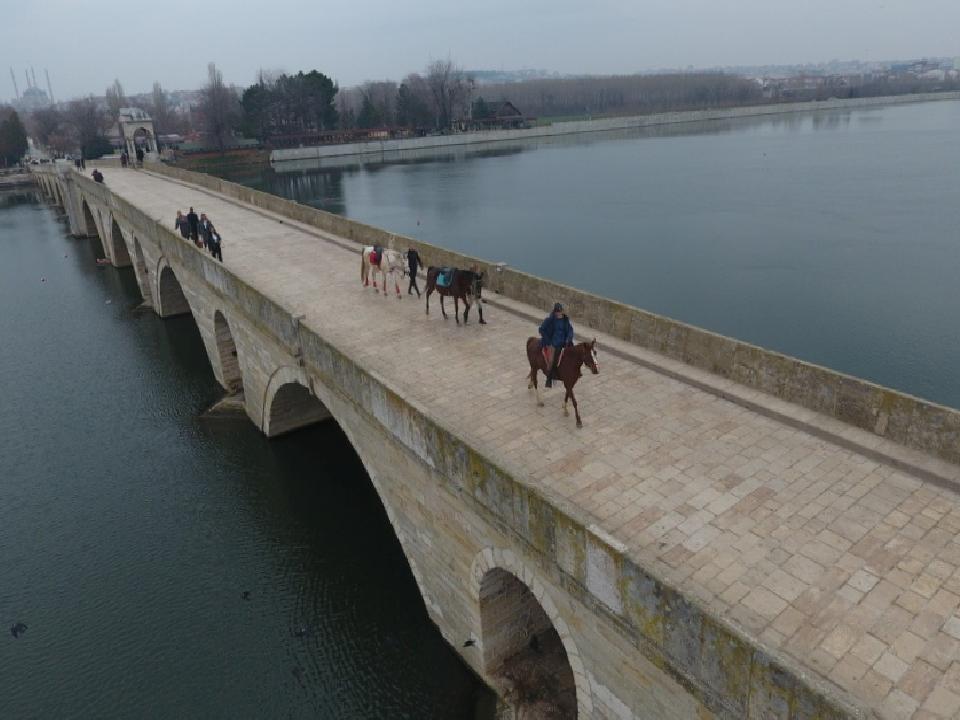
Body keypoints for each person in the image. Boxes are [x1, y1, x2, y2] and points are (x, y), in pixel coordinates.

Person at [538, 302, 574, 388]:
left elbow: (570, 330)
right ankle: (549, 378)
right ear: (554, 312)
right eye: (557, 311)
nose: (558, 313)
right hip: (553, 343)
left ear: (562, 311)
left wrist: (568, 338)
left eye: (559, 311)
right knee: (551, 361)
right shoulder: (549, 320)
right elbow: (541, 329)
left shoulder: (565, 320)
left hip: (564, 343)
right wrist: (548, 341)